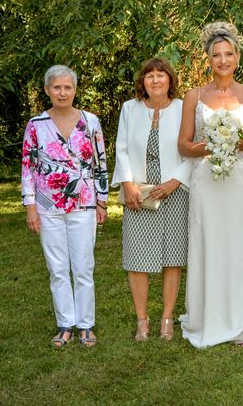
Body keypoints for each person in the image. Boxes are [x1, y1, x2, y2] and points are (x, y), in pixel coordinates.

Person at [178, 21, 243, 348]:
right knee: (208, 244)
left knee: (239, 247)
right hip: (207, 182)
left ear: (238, 57)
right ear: (208, 59)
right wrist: (212, 143)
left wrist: (236, 141)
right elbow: (184, 145)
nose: (223, 60)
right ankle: (208, 317)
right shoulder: (194, 96)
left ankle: (242, 321)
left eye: (229, 54)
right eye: (217, 55)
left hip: (239, 181)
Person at [21, 64, 108, 347]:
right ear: (47, 90)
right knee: (57, 268)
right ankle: (65, 324)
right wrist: (30, 205)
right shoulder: (36, 125)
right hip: (48, 207)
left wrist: (102, 201)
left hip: (84, 204)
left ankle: (86, 325)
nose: (62, 92)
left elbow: (100, 163)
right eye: (56, 87)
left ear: (75, 90)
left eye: (67, 87)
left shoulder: (90, 121)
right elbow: (27, 166)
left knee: (83, 266)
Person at [111, 58, 191, 342]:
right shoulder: (129, 109)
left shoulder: (184, 108)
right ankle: (142, 319)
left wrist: (175, 181)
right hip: (139, 195)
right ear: (142, 82)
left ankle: (167, 317)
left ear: (170, 80)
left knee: (173, 257)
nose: (155, 80)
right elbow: (121, 147)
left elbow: (192, 150)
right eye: (149, 76)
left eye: (161, 75)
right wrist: (128, 183)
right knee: (137, 259)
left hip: (174, 193)